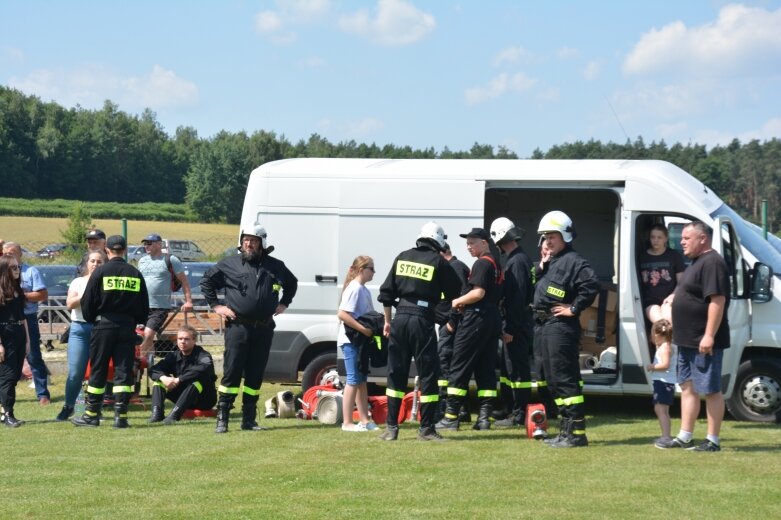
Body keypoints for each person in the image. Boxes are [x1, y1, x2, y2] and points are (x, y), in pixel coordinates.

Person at [200, 224, 297, 434]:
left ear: (262, 243)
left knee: (255, 375)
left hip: (263, 329)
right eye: (245, 240)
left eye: (253, 240)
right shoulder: (229, 264)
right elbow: (206, 281)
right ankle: (223, 417)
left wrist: (285, 302)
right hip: (238, 327)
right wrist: (217, 306)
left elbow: (292, 283)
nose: (248, 244)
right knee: (232, 373)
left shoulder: (275, 266)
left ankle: (249, 419)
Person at [377, 222, 461, 441]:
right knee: (428, 374)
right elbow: (455, 293)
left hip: (399, 319)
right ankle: (426, 429)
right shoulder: (439, 262)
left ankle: (391, 428)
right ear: (439, 241)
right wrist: (440, 312)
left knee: (396, 372)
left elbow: (386, 294)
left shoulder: (402, 256)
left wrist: (388, 322)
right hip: (421, 320)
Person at [657, 221, 730, 452]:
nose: (682, 242)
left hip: (703, 341)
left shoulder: (713, 262)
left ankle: (712, 440)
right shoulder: (696, 262)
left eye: (687, 238)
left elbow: (717, 300)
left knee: (710, 389)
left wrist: (709, 335)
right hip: (686, 339)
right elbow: (689, 291)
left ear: (703, 239)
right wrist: (674, 296)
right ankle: (685, 436)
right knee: (687, 388)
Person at [533, 211, 599, 448]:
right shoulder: (552, 262)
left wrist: (574, 308)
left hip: (560, 327)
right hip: (545, 326)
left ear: (565, 237)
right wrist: (541, 267)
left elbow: (591, 285)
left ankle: (576, 434)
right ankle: (565, 431)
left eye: (552, 236)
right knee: (552, 380)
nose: (548, 241)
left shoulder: (574, 261)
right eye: (545, 237)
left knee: (565, 380)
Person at [72, 235, 150, 428]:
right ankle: (121, 416)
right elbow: (144, 307)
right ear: (124, 250)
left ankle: (91, 415)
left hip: (103, 326)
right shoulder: (135, 273)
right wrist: (133, 321)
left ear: (107, 250)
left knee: (98, 369)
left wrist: (94, 320)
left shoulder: (100, 272)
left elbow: (87, 303)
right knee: (123, 370)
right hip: (127, 327)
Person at [435, 228, 503, 432]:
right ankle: (484, 419)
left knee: (459, 366)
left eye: (472, 243)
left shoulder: (482, 263)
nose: (468, 247)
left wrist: (457, 301)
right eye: (467, 243)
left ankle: (450, 417)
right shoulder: (496, 263)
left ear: (484, 242)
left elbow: (478, 292)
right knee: (485, 370)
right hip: (491, 319)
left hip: (476, 318)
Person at [490, 217, 535, 428]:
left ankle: (518, 415)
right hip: (517, 322)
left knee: (517, 370)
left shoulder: (516, 262)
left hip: (516, 324)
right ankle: (509, 408)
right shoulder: (518, 258)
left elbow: (517, 299)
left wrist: (509, 328)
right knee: (509, 371)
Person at [55, 250, 107, 421]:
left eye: (99, 261)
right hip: (79, 329)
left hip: (100, 328)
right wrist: (88, 293)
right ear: (87, 263)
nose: (95, 264)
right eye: (92, 261)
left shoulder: (107, 283)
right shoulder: (78, 282)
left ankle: (94, 408)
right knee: (76, 372)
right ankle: (69, 406)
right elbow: (70, 304)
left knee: (98, 372)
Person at [2, 242, 50, 405]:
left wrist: (21, 296)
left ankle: (42, 393)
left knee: (33, 355)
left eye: (13, 252)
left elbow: (42, 294)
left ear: (20, 254)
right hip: (4, 321)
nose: (10, 255)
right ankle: (5, 396)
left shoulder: (31, 272)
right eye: (6, 252)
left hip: (27, 319)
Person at [336, 256, 379, 432]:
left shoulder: (363, 289)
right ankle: (346, 422)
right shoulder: (354, 289)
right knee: (353, 379)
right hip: (350, 340)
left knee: (361, 380)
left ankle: (364, 419)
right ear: (362, 269)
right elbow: (343, 314)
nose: (374, 272)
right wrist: (364, 330)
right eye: (372, 269)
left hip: (359, 341)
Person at [137, 233, 193, 357]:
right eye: (145, 243)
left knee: (148, 334)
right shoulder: (142, 261)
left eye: (149, 243)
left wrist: (188, 301)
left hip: (160, 307)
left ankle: (137, 362)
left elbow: (184, 281)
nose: (146, 246)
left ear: (159, 244)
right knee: (143, 336)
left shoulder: (170, 259)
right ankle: (148, 367)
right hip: (141, 306)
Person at [148, 325, 217, 424]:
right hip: (182, 396)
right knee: (159, 381)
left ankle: (174, 415)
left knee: (196, 382)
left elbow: (203, 369)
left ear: (194, 341)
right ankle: (157, 414)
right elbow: (154, 369)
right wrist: (163, 378)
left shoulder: (203, 355)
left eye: (186, 339)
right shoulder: (173, 356)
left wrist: (179, 379)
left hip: (204, 399)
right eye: (180, 339)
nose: (182, 342)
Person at [434, 242, 470, 422]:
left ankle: (453, 408)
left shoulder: (455, 268)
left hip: (451, 326)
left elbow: (461, 296)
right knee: (445, 365)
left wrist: (452, 321)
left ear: (443, 252)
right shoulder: (452, 267)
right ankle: (453, 407)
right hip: (447, 325)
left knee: (446, 364)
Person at [0, 255, 30, 427]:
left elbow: (23, 317)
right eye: (12, 267)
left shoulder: (18, 290)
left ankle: (5, 412)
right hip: (5, 333)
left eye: (17, 266)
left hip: (18, 332)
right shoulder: (1, 291)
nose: (17, 269)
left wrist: (27, 341)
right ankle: (8, 414)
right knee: (8, 377)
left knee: (13, 376)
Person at [638, 224, 685, 324]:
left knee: (668, 320)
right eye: (653, 237)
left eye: (659, 237)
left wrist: (673, 295)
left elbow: (681, 282)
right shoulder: (641, 256)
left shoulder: (674, 255)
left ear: (666, 239)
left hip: (669, 300)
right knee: (661, 323)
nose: (655, 240)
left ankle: (657, 339)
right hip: (650, 301)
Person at [646, 319, 675, 445]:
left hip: (663, 382)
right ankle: (666, 435)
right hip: (666, 382)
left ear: (657, 335)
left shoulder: (665, 348)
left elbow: (665, 365)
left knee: (660, 410)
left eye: (653, 334)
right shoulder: (669, 345)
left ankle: (666, 436)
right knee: (664, 411)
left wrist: (652, 366)